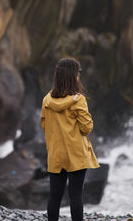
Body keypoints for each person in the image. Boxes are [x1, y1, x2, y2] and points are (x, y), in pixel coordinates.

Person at [40, 57, 100, 221]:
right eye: (78, 72)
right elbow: (87, 128)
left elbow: (44, 124)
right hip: (76, 154)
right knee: (75, 195)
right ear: (74, 76)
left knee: (54, 196)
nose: (79, 76)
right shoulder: (78, 99)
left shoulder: (47, 100)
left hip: (56, 154)